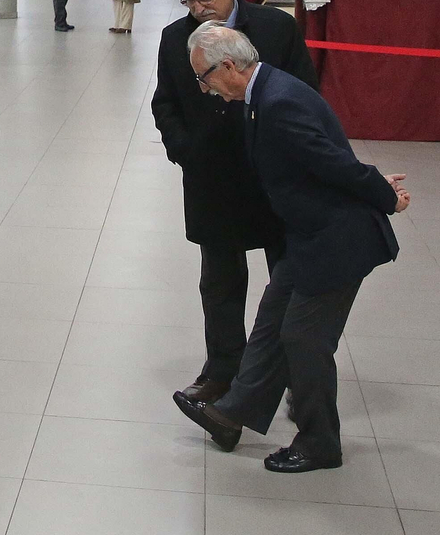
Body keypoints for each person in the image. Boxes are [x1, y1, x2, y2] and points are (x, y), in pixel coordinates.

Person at [173, 24, 409, 474]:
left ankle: (320, 442)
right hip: (306, 234)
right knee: (271, 322)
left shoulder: (277, 102)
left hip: (336, 239)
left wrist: (383, 194)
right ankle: (229, 415)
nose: (204, 90)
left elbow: (333, 163)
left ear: (227, 67)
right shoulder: (264, 94)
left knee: (304, 339)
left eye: (204, 79)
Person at [151, 0, 317, 408]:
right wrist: (185, 151)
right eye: (190, 0)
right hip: (213, 178)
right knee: (220, 282)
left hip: (275, 180)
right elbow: (164, 103)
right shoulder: (175, 38)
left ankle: (283, 373)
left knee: (287, 279)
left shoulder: (274, 29)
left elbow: (305, 95)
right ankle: (222, 371)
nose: (200, 8)